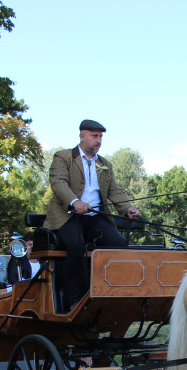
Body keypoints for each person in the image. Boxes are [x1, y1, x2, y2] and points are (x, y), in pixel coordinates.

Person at [46, 119, 140, 308]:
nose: (98, 141)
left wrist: (127, 208)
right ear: (82, 136)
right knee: (76, 244)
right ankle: (74, 299)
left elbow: (115, 190)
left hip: (94, 217)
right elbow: (59, 183)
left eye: (100, 137)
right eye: (94, 136)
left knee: (118, 243)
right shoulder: (63, 157)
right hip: (67, 216)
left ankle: (108, 292)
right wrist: (75, 202)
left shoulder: (104, 164)